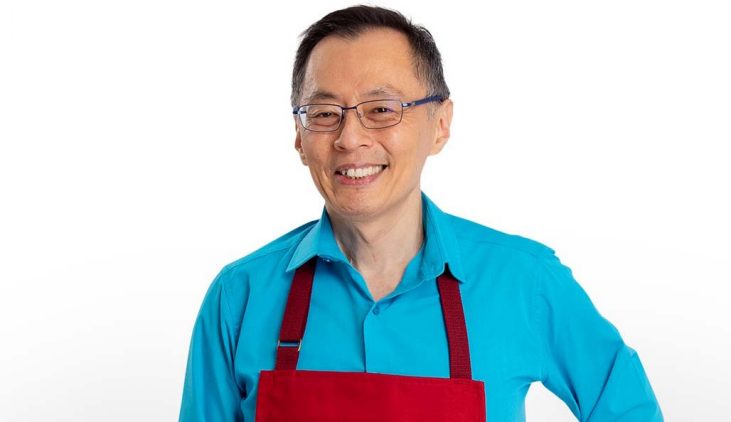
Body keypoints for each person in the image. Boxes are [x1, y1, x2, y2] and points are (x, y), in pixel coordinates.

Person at [179, 5, 663, 421]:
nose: (350, 139)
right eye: (325, 113)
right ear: (299, 138)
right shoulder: (238, 298)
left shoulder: (524, 282)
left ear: (441, 124)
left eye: (382, 108)